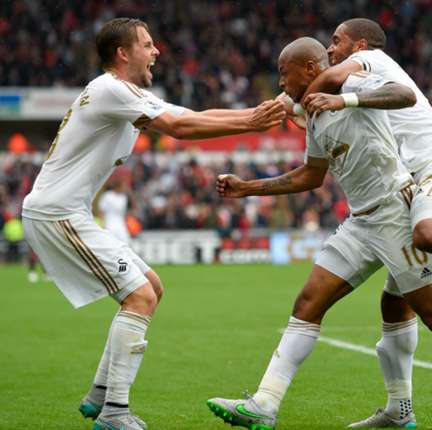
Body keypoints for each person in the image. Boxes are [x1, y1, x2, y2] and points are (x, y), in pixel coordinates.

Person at [207, 37, 432, 430]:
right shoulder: (313, 114)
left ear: (311, 69)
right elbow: (310, 175)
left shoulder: (350, 87)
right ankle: (266, 404)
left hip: (397, 215)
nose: (281, 84)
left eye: (285, 74)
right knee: (308, 304)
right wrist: (249, 187)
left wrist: (346, 100)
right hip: (360, 223)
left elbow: (402, 94)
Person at [21, 17, 284, 430]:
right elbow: (180, 127)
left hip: (66, 211)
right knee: (140, 297)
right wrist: (253, 120)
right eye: (146, 44)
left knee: (152, 288)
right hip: (58, 212)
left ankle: (101, 394)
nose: (156, 51)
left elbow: (188, 115)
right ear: (123, 54)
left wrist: (254, 114)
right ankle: (115, 414)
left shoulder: (123, 95)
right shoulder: (113, 89)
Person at [98, 179, 131, 244]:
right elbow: (101, 210)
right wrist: (102, 223)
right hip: (109, 223)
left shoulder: (124, 197)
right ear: (118, 187)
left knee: (126, 242)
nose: (125, 188)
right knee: (110, 242)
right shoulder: (107, 195)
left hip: (121, 224)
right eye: (123, 186)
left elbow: (123, 213)